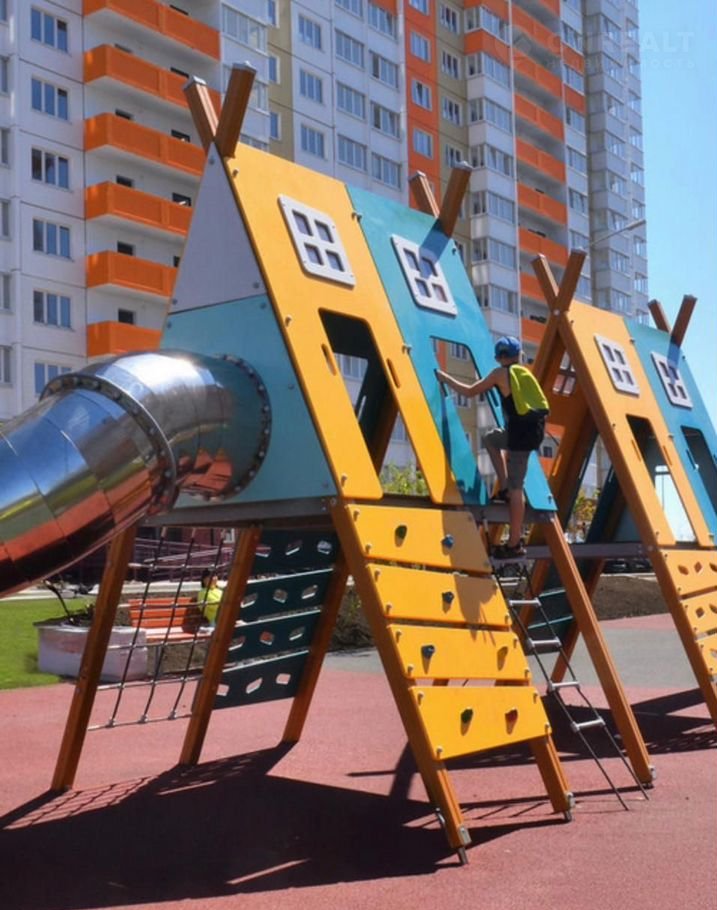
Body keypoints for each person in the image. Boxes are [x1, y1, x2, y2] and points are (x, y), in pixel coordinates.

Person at [435, 335, 549, 560]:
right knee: (491, 439)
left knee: (517, 488)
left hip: (519, 438)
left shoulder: (500, 374)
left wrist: (445, 378)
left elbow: (470, 391)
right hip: (529, 432)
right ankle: (504, 486)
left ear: (500, 357)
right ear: (518, 355)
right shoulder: (524, 373)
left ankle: (514, 543)